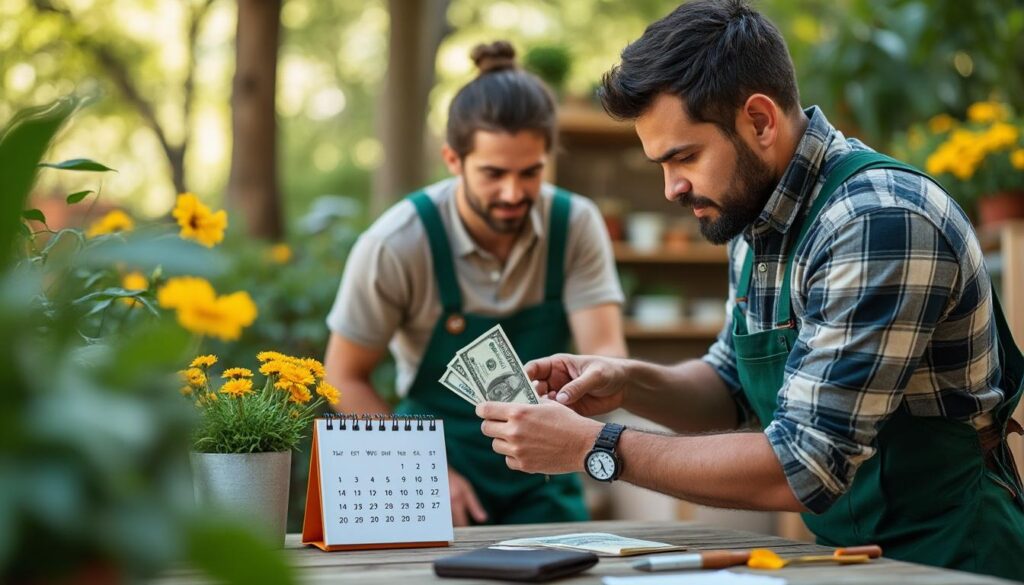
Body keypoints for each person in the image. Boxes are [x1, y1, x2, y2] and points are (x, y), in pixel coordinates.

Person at [475, 1, 1024, 579]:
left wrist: (598, 446)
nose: (671, 188)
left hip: (955, 557)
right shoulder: (754, 217)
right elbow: (730, 384)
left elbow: (805, 463)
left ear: (759, 120)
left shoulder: (876, 221)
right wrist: (622, 381)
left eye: (683, 156)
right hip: (853, 559)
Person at [324, 41, 627, 526]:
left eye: (530, 173)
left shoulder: (575, 225)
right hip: (430, 473)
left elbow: (605, 352)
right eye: (493, 173)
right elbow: (341, 375)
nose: (513, 193)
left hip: (545, 478)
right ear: (452, 159)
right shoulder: (396, 243)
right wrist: (415, 469)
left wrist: (576, 418)